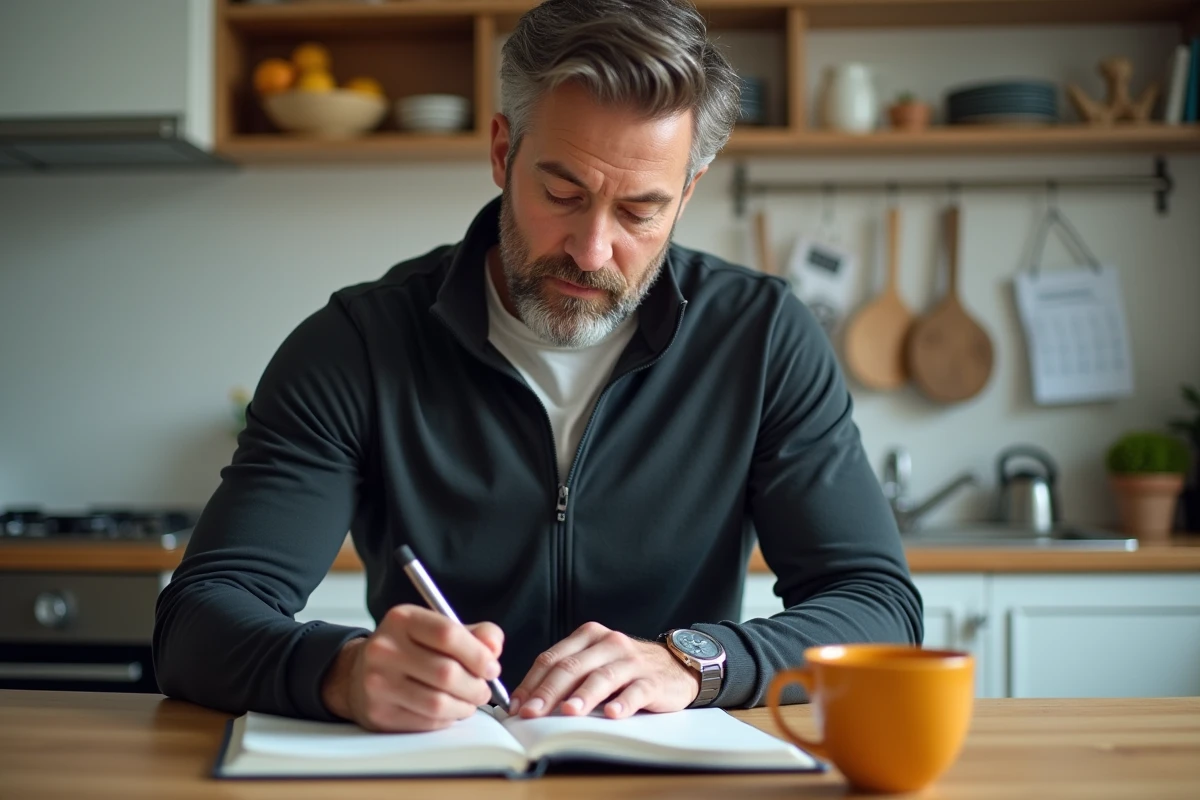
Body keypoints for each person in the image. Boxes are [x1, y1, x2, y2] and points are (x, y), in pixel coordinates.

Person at [153, 0, 921, 733]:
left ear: (687, 194)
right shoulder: (359, 345)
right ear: (501, 151)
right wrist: (341, 671)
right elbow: (197, 618)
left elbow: (878, 606)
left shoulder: (761, 338)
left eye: (640, 211)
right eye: (562, 193)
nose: (591, 250)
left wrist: (693, 663)